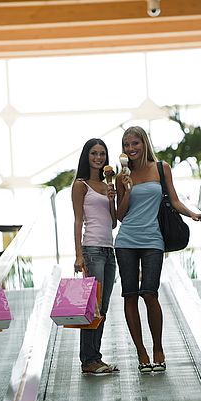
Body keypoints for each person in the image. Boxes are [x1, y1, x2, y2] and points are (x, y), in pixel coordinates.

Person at [115, 126, 201, 373]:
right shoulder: (120, 176)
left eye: (135, 143)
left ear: (144, 143)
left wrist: (192, 214)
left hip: (153, 240)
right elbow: (120, 215)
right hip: (126, 241)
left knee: (150, 293)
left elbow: (174, 200)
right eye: (126, 145)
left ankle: (158, 348)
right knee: (130, 295)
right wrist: (125, 187)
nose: (131, 149)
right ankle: (141, 352)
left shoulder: (161, 168)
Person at [72, 138, 118, 375]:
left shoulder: (106, 185)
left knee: (104, 307)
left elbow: (112, 223)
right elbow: (78, 220)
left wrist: (112, 199)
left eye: (102, 154)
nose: (98, 158)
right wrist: (79, 254)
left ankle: (96, 357)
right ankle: (88, 360)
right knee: (93, 307)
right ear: (86, 157)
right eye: (94, 154)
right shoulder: (81, 185)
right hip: (91, 250)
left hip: (109, 251)